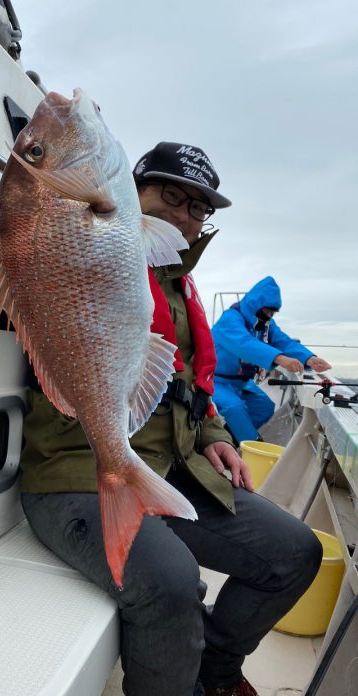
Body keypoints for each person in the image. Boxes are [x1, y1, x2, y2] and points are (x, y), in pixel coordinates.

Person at [20, 142, 323, 696]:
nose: (184, 215)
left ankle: (217, 670)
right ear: (127, 194)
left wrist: (211, 434)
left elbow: (182, 380)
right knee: (173, 584)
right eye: (169, 195)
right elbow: (30, 246)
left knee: (295, 553)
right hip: (74, 471)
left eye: (198, 208)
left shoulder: (179, 288)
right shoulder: (91, 249)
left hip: (167, 468)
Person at [211, 276, 332, 445]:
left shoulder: (265, 323)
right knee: (234, 408)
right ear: (256, 305)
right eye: (267, 311)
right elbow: (244, 344)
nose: (269, 316)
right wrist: (279, 358)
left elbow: (284, 341)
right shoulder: (230, 319)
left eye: (272, 313)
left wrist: (309, 358)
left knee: (264, 406)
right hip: (214, 381)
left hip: (241, 383)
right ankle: (252, 446)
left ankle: (227, 440)